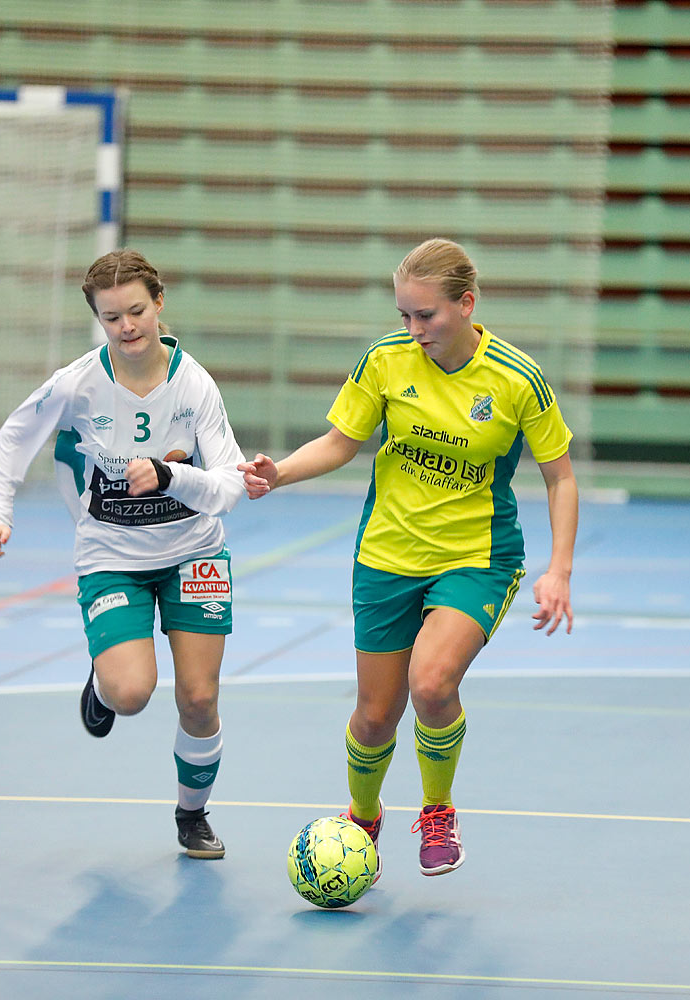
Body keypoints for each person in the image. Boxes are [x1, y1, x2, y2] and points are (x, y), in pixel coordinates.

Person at [238, 237, 577, 877]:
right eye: (404, 316)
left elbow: (560, 477)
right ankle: (363, 817)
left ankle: (437, 810)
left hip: (475, 557)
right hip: (387, 555)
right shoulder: (386, 362)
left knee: (431, 681)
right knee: (374, 716)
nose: (414, 329)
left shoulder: (516, 378)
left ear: (466, 304)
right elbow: (342, 442)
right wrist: (276, 473)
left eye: (427, 315)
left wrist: (558, 569)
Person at [0, 249, 248, 859]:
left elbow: (228, 486)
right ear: (98, 321)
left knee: (200, 698)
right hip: (111, 554)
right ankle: (102, 688)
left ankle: (192, 814)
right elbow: (16, 433)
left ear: (158, 304)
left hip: (193, 553)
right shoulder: (79, 384)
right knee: (130, 693)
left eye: (136, 312)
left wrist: (171, 479)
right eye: (111, 318)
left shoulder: (195, 385)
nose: (127, 327)